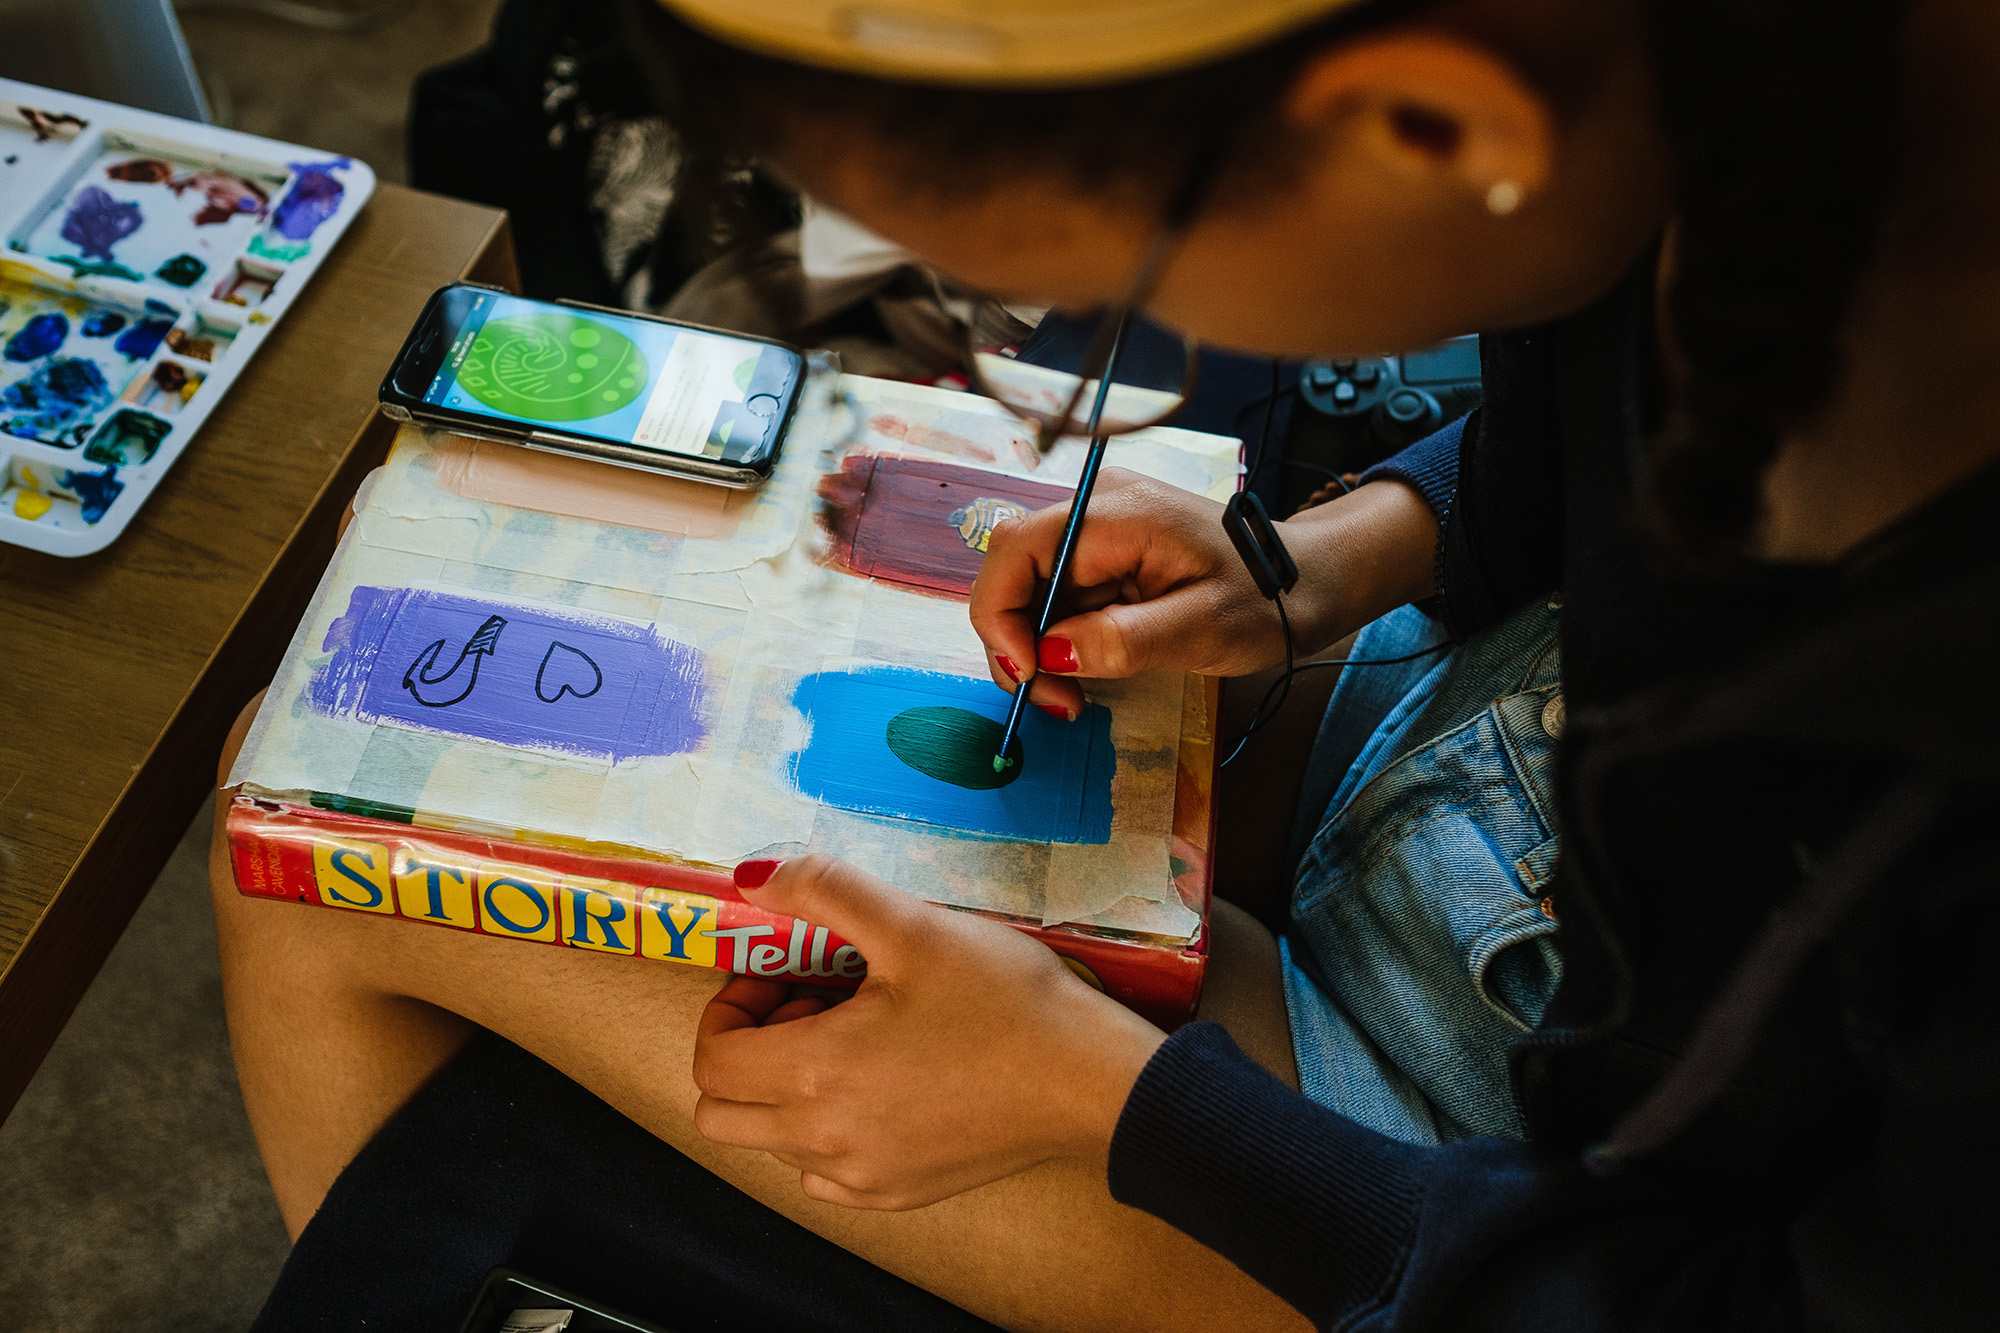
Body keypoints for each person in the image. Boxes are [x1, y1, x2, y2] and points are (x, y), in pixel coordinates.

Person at [211, 0, 2000, 1328]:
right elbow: (1570, 441)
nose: (1039, 390)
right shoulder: (1734, 81)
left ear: (1432, 127)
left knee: (302, 852)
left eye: (1099, 320)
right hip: (1487, 790)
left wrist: (1114, 1104)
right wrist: (1320, 560)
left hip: (1511, 1225)